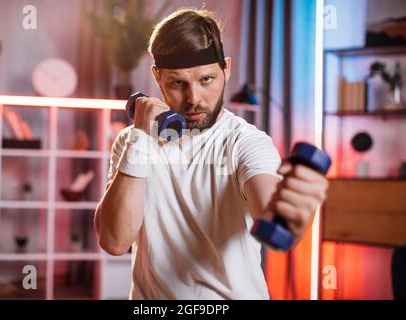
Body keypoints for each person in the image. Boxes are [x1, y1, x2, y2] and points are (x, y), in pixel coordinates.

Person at [95, 8, 329, 300]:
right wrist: (142, 137)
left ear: (226, 69)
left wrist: (288, 213)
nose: (194, 99)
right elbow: (115, 241)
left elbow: (267, 204)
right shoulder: (132, 142)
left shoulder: (246, 142)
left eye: (206, 80)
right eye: (177, 83)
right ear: (157, 78)